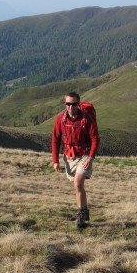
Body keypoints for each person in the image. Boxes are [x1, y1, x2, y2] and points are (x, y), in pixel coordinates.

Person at [51, 92, 99, 228]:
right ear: (65, 104)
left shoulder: (86, 119)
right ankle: (83, 211)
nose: (71, 107)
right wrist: (56, 160)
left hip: (84, 155)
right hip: (69, 156)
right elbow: (55, 140)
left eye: (74, 104)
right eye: (68, 104)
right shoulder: (60, 119)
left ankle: (81, 215)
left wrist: (91, 157)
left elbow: (95, 138)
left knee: (78, 183)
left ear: (78, 104)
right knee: (76, 186)